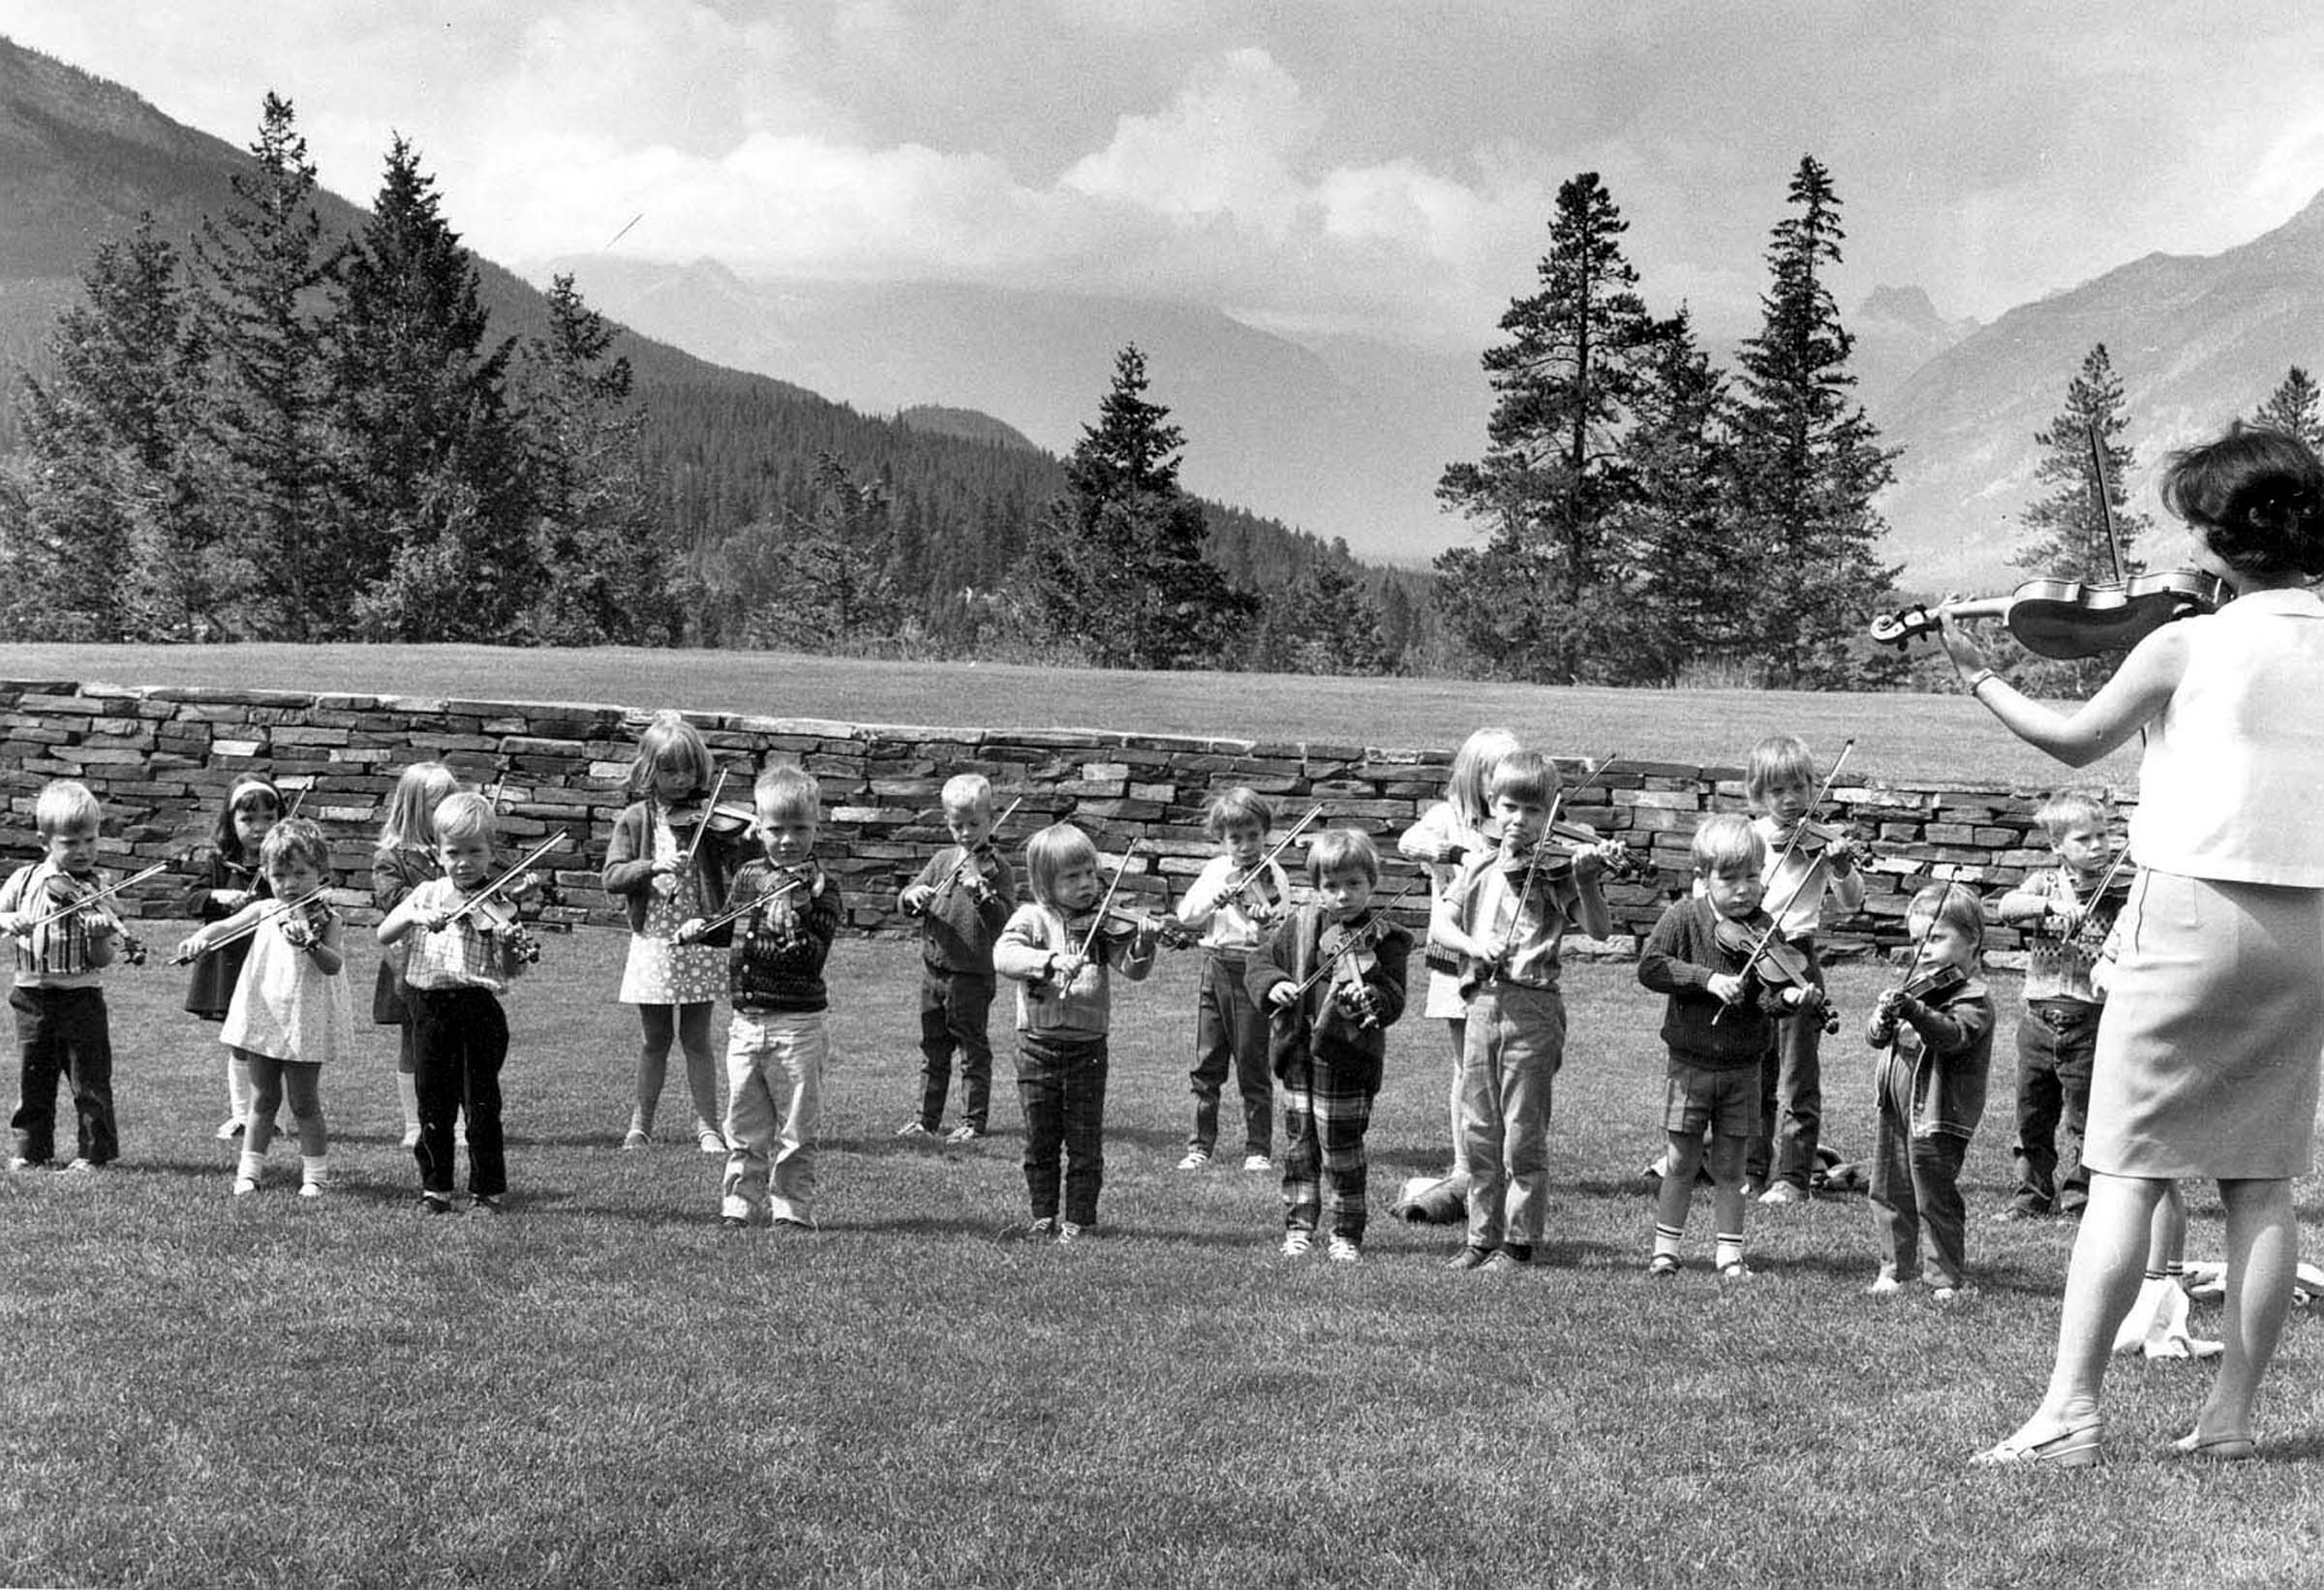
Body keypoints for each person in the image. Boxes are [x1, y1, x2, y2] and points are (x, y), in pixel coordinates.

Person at [1947, 422, 2324, 1466]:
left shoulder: (2185, 642)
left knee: (2124, 1168)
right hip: (2310, 924)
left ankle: (2070, 1407)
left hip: (2194, 906)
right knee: (2260, 1181)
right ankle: (2233, 1419)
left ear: (2219, 534)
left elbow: (2074, 740)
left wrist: (1979, 675)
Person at [1433, 749, 1613, 1273]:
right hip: (1481, 1002)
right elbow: (1440, 925)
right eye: (1511, 807)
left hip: (1533, 1005)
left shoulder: (1554, 871)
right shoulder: (1478, 863)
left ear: (1550, 816)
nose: (1520, 821)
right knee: (1478, 1127)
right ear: (1492, 803)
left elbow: (1599, 930)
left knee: (1522, 1131)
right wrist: (1471, 944)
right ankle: (1478, 1236)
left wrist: (1585, 880)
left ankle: (1517, 1241)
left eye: (1534, 812)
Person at [1636, 814, 1815, 1281]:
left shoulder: (1765, 927)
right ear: (1703, 878)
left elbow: (1769, 997)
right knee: (1680, 1160)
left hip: (1743, 1067)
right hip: (1691, 1065)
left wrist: (1791, 997)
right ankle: (1665, 1250)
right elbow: (1651, 967)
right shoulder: (1683, 919)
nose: (1743, 890)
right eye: (1730, 879)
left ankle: (1729, 1254)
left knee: (1732, 1167)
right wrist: (1707, 979)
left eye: (1752, 877)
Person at [680, 764, 841, 1231]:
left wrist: (791, 928)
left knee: (796, 1126)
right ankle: (739, 1203)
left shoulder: (821, 889)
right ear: (758, 826)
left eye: (799, 829)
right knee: (744, 1122)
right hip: (746, 1019)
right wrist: (701, 930)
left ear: (815, 826)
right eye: (776, 829)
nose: (787, 840)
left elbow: (812, 957)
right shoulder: (751, 875)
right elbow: (731, 923)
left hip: (797, 1025)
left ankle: (790, 1207)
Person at [1246, 829, 1410, 1264]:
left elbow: (1393, 1000)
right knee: (1300, 1148)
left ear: (1372, 884)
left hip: (1347, 1060)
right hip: (1298, 1054)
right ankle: (1299, 1227)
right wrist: (1276, 984)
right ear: (1317, 889)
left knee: (1343, 1152)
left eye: (1353, 884)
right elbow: (1259, 963)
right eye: (1331, 886)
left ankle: (1346, 1234)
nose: (1342, 897)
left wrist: (1370, 997)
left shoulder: (1387, 937)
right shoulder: (1299, 925)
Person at [991, 823, 1159, 1242]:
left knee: (1085, 1143)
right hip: (1037, 1046)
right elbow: (1004, 956)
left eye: (1090, 873)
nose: (1087, 884)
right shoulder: (1031, 918)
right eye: (1072, 877)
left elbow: (1133, 970)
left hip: (1088, 1049)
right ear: (1045, 883)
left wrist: (1144, 945)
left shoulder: (1104, 924)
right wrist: (1048, 961)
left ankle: (1080, 1219)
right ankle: (1043, 1214)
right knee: (1039, 1141)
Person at [377, 792, 535, 1215]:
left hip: (478, 1008)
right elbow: (384, 933)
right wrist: (413, 916)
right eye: (454, 852)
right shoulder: (427, 894)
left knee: (481, 1104)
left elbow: (509, 971)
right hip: (430, 1010)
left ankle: (487, 1189)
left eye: (475, 852)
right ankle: (436, 1188)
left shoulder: (499, 904)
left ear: (491, 852)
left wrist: (505, 945)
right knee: (434, 1103)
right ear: (439, 852)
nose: (464, 862)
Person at [174, 819, 351, 1199]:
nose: (290, 885)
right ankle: (249, 1172)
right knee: (262, 1099)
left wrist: (312, 944)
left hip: (305, 1016)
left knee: (304, 1102)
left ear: (321, 874)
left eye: (301, 874)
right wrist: (198, 937)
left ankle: (315, 1176)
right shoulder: (268, 909)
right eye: (280, 875)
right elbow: (224, 927)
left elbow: (333, 964)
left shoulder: (328, 918)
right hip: (265, 1012)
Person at [602, 711, 749, 1154]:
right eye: (669, 770)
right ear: (649, 771)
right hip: (653, 941)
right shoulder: (635, 818)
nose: (682, 779)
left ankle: (708, 1126)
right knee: (655, 1040)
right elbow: (612, 875)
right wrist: (652, 867)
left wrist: (749, 838)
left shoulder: (709, 818)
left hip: (699, 937)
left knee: (698, 1039)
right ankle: (639, 1125)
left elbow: (739, 864)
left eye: (688, 769)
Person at [1396, 727, 1518, 1212]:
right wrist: (1458, 853)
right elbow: (1409, 843)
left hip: (1503, 961)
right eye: (1495, 773)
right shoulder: (1447, 818)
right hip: (1454, 959)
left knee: (1504, 1067)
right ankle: (1465, 1164)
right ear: (1474, 775)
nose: (1502, 784)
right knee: (1465, 1069)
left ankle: (1501, 1163)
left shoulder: (1514, 822)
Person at [1743, 734, 1867, 1206]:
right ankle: (1752, 1169)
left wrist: (1838, 866)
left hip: (1796, 958)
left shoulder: (1823, 841)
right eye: (1777, 791)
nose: (1790, 800)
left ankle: (1792, 1177)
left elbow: (1854, 902)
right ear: (1758, 794)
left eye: (1799, 788)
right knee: (1755, 1073)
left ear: (1812, 787)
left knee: (1797, 1076)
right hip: (1751, 957)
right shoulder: (1749, 838)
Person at [1863, 883, 1993, 1302]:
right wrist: (1883, 1019)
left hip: (1936, 1113)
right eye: (1918, 941)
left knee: (1934, 1197)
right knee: (1888, 1189)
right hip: (1896, 1109)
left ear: (1972, 939)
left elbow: (1951, 1036)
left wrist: (1915, 1011)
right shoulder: (1920, 988)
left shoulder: (1974, 998)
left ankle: (1943, 1278)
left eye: (1937, 939)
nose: (1924, 952)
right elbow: (1874, 1039)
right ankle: (1894, 1267)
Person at [1992, 790, 2116, 1220]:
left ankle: (2081, 1195)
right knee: (2032, 1113)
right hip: (2039, 1019)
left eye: (2103, 835)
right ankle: (2031, 1193)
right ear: (2057, 846)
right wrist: (2051, 906)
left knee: (2086, 1115)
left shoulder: (2117, 890)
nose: (2098, 846)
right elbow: (2007, 907)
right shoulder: (2044, 883)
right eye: (2084, 839)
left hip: (2089, 1019)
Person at [1, 780, 127, 1173]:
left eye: (90, 840)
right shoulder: (23, 880)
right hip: (31, 994)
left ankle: (94, 1152)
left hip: (80, 997)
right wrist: (9, 919)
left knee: (89, 1079)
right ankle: (30, 1148)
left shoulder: (100, 888)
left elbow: (103, 959)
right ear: (45, 841)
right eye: (70, 843)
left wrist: (100, 936)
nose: (83, 851)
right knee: (32, 1078)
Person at [1174, 786, 1291, 1174]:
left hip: (1250, 971)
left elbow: (1281, 930)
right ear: (1222, 839)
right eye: (1235, 839)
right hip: (1215, 966)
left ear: (1265, 834)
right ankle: (1199, 1145)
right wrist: (1214, 899)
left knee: (1252, 1061)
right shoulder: (1214, 871)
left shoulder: (1275, 875)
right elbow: (1187, 915)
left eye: (1253, 836)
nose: (1245, 847)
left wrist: (1262, 921)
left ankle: (1258, 1148)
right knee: (1206, 1061)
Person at [895, 772, 1016, 1145]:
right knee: (933, 1049)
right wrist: (912, 897)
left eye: (974, 825)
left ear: (990, 820)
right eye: (957, 825)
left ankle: (973, 1120)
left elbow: (1005, 923)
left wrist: (981, 891)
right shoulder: (942, 859)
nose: (966, 834)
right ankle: (925, 1119)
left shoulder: (998, 869)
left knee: (972, 1051)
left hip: (972, 975)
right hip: (934, 972)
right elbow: (908, 898)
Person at [181, 776, 285, 1142]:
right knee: (239, 1040)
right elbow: (192, 900)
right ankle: (242, 1115)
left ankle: (270, 1115)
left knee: (272, 1042)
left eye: (268, 818)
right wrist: (219, 897)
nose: (259, 828)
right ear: (231, 822)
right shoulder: (220, 863)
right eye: (248, 819)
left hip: (274, 962)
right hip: (231, 962)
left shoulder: (283, 863)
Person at [371, 760, 460, 1148]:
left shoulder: (455, 853)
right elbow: (391, 899)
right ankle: (414, 1124)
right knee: (414, 1041)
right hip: (409, 959)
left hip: (456, 960)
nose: (446, 811)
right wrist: (433, 897)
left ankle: (454, 1125)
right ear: (412, 808)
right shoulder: (392, 858)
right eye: (437, 804)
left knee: (456, 1044)